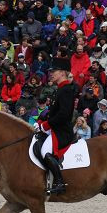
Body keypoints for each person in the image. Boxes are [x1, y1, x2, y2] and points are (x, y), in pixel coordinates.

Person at [35, 63, 75, 195]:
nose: (52, 74)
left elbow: (64, 114)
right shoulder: (59, 89)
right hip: (55, 128)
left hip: (62, 131)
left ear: (63, 72)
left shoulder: (66, 90)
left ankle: (59, 183)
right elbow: (53, 112)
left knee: (45, 151)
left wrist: (46, 125)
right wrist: (41, 121)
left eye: (55, 71)